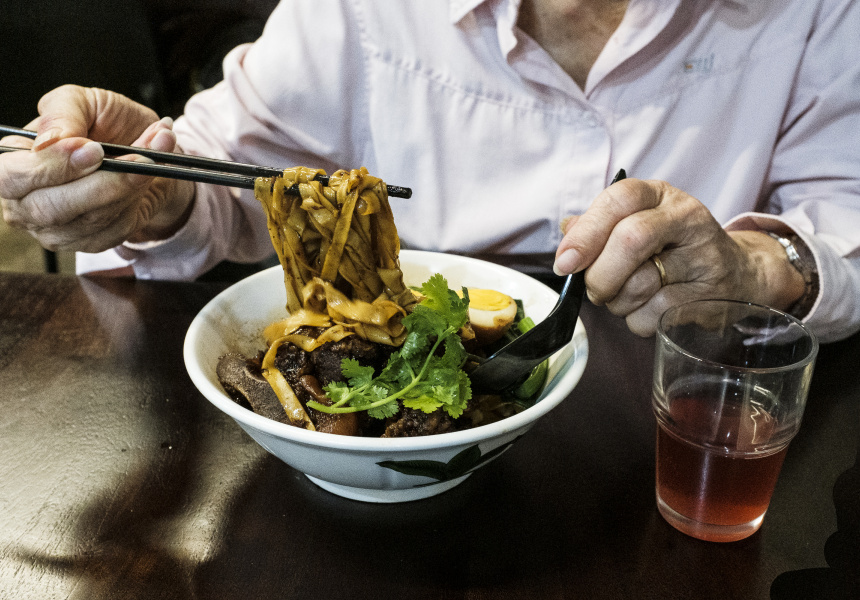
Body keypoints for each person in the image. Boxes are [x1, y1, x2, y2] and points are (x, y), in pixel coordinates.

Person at [1, 0, 859, 343]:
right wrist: (154, 191)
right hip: (379, 399)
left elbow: (845, 208)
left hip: (679, 409)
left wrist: (761, 268)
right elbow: (227, 171)